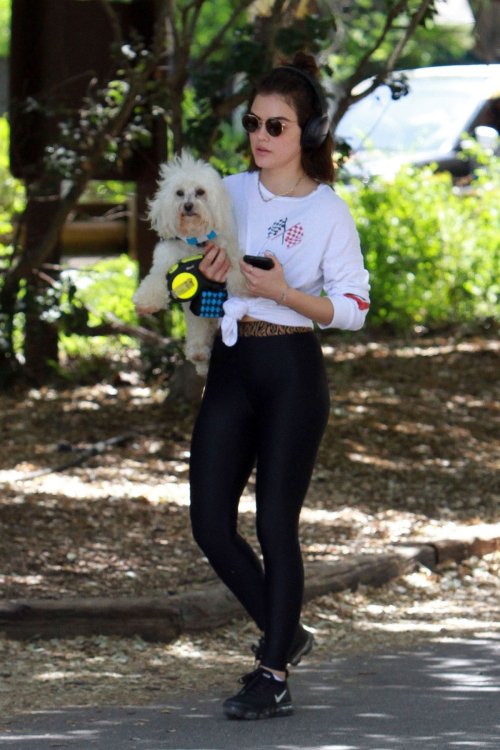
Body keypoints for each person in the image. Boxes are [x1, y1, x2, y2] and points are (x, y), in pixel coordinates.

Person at [189, 51, 370, 720]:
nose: (261, 137)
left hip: (292, 372)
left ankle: (272, 673)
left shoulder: (328, 211)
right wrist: (208, 283)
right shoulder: (227, 191)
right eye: (253, 123)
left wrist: (286, 292)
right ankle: (286, 631)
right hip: (234, 369)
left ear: (309, 134)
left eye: (277, 126)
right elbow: (203, 307)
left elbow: (353, 308)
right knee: (210, 524)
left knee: (274, 524)